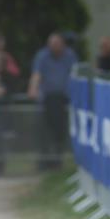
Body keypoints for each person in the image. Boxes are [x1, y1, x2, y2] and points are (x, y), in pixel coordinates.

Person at [27, 32, 77, 169]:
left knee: (60, 131)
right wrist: (33, 88)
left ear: (62, 44)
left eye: (56, 44)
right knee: (44, 131)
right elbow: (37, 74)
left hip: (64, 100)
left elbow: (75, 74)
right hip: (46, 100)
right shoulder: (42, 56)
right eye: (51, 44)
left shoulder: (70, 55)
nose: (53, 47)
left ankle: (57, 160)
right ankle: (44, 161)